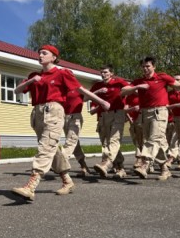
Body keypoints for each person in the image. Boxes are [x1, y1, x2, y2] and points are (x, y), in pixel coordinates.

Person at [11, 44, 110, 201]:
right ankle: (67, 181)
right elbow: (16, 91)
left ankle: (31, 186)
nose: (40, 55)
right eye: (39, 53)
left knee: (46, 147)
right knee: (52, 149)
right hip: (37, 113)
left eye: (44, 53)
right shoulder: (34, 75)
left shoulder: (62, 73)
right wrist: (30, 82)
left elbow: (80, 90)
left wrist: (101, 102)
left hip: (54, 111)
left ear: (54, 57)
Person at [121, 57, 180, 180]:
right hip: (144, 114)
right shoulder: (139, 81)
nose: (145, 69)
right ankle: (165, 168)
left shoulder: (162, 77)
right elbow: (123, 91)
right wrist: (137, 87)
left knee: (154, 138)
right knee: (156, 141)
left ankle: (144, 164)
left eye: (148, 66)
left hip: (159, 112)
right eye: (143, 67)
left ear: (154, 67)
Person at [89, 64, 129, 179]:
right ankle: (119, 166)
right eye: (101, 72)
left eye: (106, 72)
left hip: (117, 114)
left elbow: (130, 90)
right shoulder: (97, 86)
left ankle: (107, 163)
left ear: (112, 73)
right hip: (102, 117)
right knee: (106, 143)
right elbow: (91, 104)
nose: (103, 74)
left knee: (114, 140)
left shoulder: (119, 82)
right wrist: (98, 105)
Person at [62, 88, 91, 177]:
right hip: (64, 117)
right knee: (74, 143)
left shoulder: (78, 88)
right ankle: (83, 166)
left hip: (75, 116)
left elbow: (86, 97)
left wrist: (97, 93)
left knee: (71, 141)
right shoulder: (61, 90)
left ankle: (60, 161)